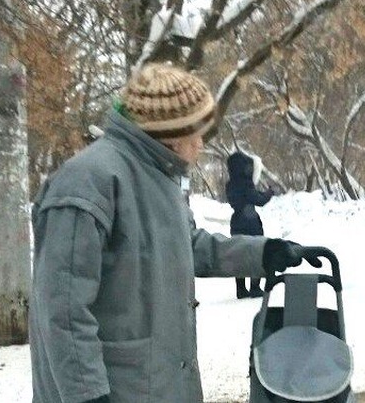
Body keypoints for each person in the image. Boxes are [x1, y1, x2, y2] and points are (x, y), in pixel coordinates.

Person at [29, 63, 320, 403]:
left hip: (158, 386)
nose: (201, 143)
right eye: (196, 132)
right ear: (169, 132)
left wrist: (263, 253)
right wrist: (87, 396)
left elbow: (188, 244)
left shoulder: (158, 178)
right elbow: (62, 308)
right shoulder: (88, 183)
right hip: (114, 391)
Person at [226, 149, 276, 298]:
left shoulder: (230, 184)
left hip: (236, 221)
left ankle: (240, 289)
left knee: (239, 254)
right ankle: (255, 287)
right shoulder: (246, 183)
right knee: (256, 252)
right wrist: (269, 193)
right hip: (250, 222)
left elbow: (245, 197)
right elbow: (258, 200)